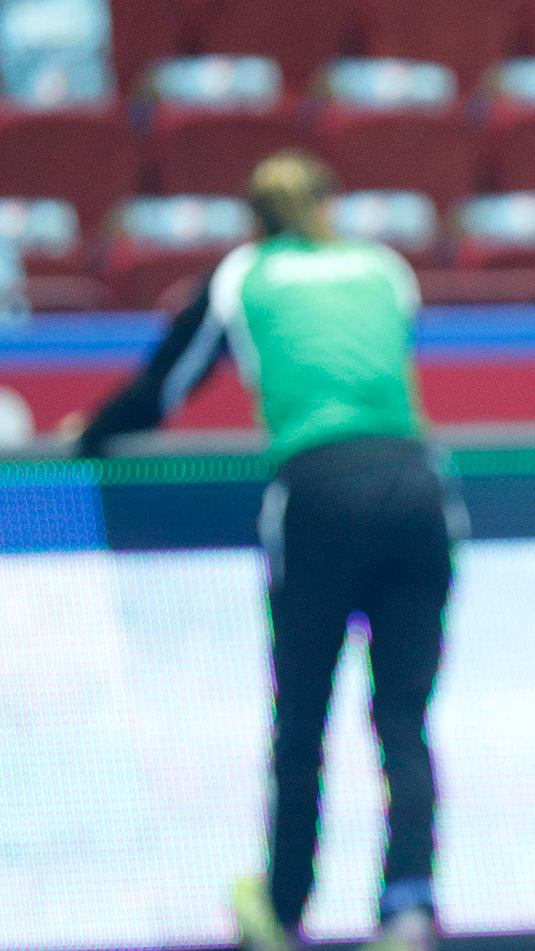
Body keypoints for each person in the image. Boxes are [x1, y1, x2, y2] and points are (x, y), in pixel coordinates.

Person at [73, 151, 458, 951]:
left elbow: (161, 391)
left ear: (253, 218)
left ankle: (284, 912)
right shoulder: (386, 268)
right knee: (403, 719)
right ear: (332, 204)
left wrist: (86, 436)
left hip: (316, 497)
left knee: (303, 719)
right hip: (421, 491)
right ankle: (410, 910)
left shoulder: (238, 275)